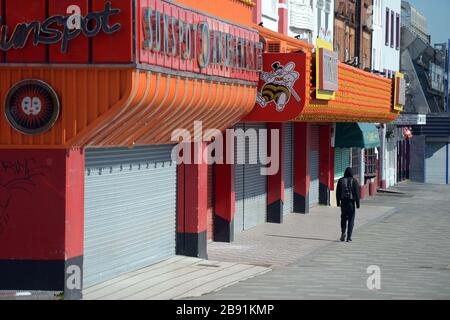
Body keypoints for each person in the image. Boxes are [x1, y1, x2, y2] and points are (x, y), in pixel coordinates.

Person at [336, 167, 360, 242]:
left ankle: (343, 233)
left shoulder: (340, 180)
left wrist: (338, 202)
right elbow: (356, 193)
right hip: (351, 203)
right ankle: (349, 237)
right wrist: (358, 204)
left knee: (343, 218)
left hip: (343, 203)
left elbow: (338, 193)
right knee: (351, 220)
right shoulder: (354, 181)